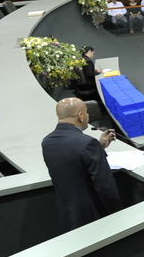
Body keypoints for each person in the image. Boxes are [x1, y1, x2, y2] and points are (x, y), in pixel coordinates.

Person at [41, 98, 122, 231]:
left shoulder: (47, 142)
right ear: (80, 116)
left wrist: (99, 147)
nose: (87, 115)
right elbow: (105, 186)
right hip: (93, 216)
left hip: (68, 213)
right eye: (86, 112)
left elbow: (71, 161)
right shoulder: (87, 143)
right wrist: (118, 212)